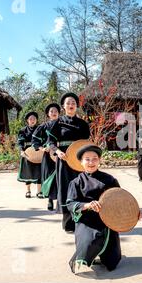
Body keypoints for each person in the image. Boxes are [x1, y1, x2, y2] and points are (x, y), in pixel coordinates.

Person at [66, 145, 142, 273]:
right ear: (81, 162)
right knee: (89, 243)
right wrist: (87, 205)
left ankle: (107, 256)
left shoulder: (109, 180)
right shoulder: (76, 182)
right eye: (87, 159)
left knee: (111, 263)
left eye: (94, 159)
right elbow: (70, 203)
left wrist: (136, 211)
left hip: (109, 219)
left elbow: (123, 199)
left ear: (99, 160)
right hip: (88, 219)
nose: (91, 162)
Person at [47, 93, 91, 233]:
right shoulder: (57, 123)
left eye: (73, 102)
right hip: (64, 161)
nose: (71, 105)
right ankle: (68, 223)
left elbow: (86, 143)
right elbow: (50, 142)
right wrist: (57, 151)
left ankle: (82, 220)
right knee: (66, 189)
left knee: (81, 189)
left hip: (79, 161)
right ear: (63, 106)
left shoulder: (83, 124)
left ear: (76, 106)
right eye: (68, 103)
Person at [32, 103, 60, 210]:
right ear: (48, 114)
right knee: (49, 176)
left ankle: (59, 200)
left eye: (56, 111)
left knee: (59, 176)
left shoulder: (63, 124)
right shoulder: (44, 126)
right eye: (51, 111)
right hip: (48, 156)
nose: (54, 113)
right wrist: (42, 148)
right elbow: (34, 139)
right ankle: (49, 200)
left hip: (60, 154)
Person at [17, 111, 42, 198]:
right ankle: (28, 191)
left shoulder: (40, 129)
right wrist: (21, 151)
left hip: (37, 152)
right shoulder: (23, 130)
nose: (32, 120)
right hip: (27, 153)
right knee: (28, 173)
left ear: (36, 120)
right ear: (27, 120)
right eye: (30, 119)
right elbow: (20, 143)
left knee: (39, 172)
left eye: (34, 119)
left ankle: (39, 191)